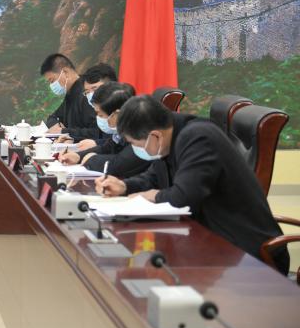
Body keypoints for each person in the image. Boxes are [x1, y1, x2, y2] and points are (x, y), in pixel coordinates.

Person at [95, 95, 290, 275]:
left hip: (245, 252)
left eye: (135, 144)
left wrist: (151, 195)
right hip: (211, 241)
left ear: (155, 136)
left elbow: (183, 197)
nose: (135, 149)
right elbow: (154, 177)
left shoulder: (199, 138)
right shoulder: (170, 136)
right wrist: (124, 186)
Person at [59, 82, 149, 178]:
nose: (98, 118)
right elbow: (106, 148)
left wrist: (92, 160)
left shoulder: (140, 133)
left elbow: (119, 164)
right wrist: (78, 156)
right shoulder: (122, 131)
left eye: (100, 114)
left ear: (117, 114)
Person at [40, 53, 97, 141]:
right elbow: (53, 117)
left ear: (65, 72)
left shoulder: (87, 94)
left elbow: (96, 132)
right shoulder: (69, 93)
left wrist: (63, 131)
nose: (51, 85)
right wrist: (55, 126)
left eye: (52, 80)